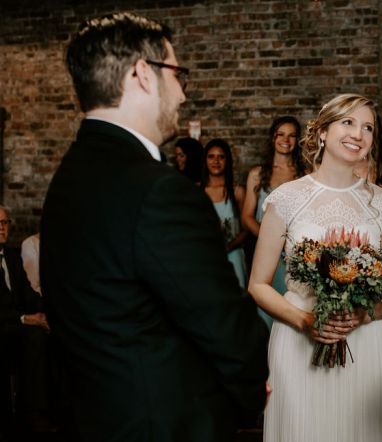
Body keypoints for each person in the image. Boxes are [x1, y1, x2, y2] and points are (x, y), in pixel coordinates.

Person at [40, 12, 268, 441]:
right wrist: (249, 393)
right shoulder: (160, 191)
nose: (182, 92)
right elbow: (222, 322)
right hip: (165, 423)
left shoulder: (69, 177)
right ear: (143, 74)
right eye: (177, 74)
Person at [248, 94, 382, 442]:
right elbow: (258, 285)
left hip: (365, 343)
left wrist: (363, 315)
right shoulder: (286, 198)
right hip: (297, 342)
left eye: (368, 127)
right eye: (348, 122)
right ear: (322, 132)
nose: (358, 134)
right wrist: (305, 321)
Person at [242, 116, 306, 327]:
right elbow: (247, 216)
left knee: (293, 305)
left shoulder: (305, 174)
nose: (286, 140)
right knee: (266, 307)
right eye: (281, 134)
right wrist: (271, 240)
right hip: (266, 250)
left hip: (295, 252)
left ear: (297, 140)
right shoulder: (257, 174)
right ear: (272, 138)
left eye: (292, 135)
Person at [0, 207, 52, 434]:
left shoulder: (11, 255)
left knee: (50, 330)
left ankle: (56, 405)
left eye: (5, 222)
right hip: (3, 323)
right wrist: (24, 318)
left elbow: (29, 294)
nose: (2, 228)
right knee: (33, 335)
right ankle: (31, 413)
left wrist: (49, 313)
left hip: (14, 323)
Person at [202, 138, 248, 289]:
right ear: (205, 160)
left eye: (221, 157)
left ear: (227, 161)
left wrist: (228, 247)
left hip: (233, 255)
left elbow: (246, 230)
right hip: (205, 256)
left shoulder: (237, 191)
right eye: (211, 156)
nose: (216, 161)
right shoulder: (197, 191)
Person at [352, 116, 382, 188]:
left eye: (367, 128)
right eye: (348, 123)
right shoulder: (333, 171)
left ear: (375, 136)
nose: (357, 136)